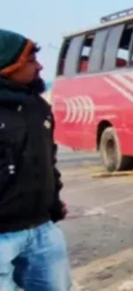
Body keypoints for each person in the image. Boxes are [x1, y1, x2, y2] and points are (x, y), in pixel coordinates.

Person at [0, 28, 71, 291]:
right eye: (30, 60)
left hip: (43, 231)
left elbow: (47, 161)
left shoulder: (36, 105)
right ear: (6, 66)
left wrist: (53, 201)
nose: (40, 66)